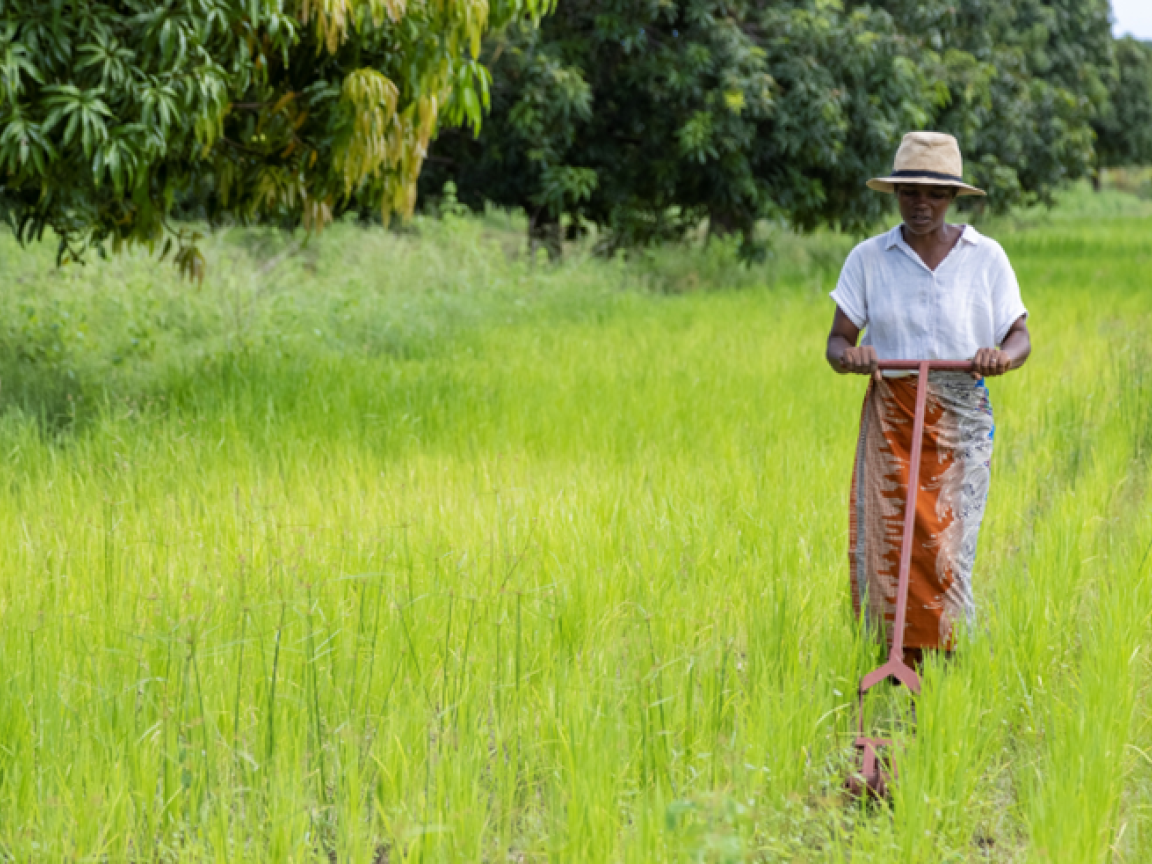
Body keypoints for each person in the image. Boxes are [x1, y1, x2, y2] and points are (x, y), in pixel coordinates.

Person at [825, 131, 1031, 669]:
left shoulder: (986, 257)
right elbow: (837, 341)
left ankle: (946, 658)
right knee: (889, 541)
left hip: (961, 418)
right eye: (910, 192)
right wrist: (853, 356)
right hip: (891, 413)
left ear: (953, 198)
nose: (922, 204)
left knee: (946, 547)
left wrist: (1000, 356)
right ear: (895, 194)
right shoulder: (869, 258)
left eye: (935, 195)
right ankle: (893, 660)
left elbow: (1021, 335)